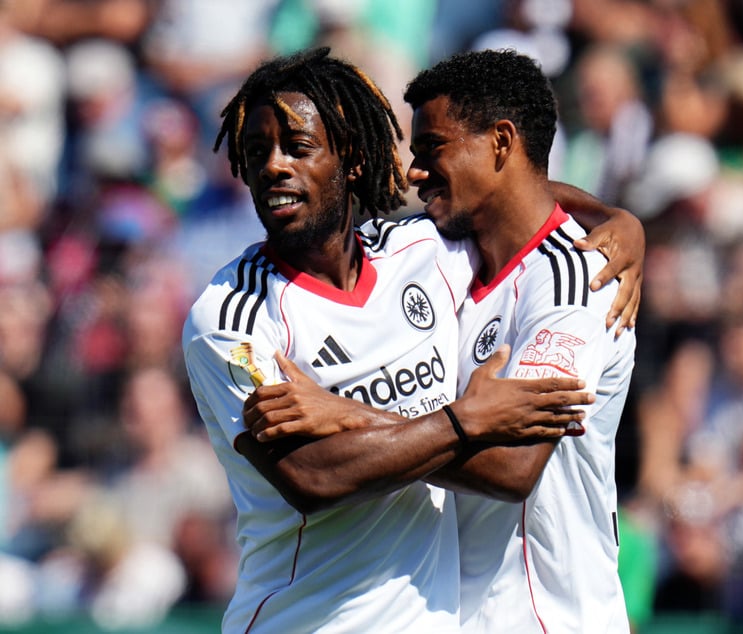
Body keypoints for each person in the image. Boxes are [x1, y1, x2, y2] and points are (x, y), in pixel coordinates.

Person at [183, 47, 643, 633]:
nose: (273, 167)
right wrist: (463, 421)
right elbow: (314, 477)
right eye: (255, 154)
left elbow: (513, 195)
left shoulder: (420, 254)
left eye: (297, 148)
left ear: (351, 159)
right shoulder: (231, 319)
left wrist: (619, 220)